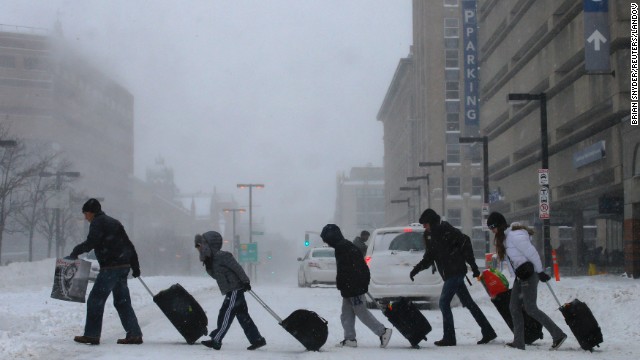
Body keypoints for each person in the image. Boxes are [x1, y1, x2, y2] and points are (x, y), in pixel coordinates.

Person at [410, 209, 497, 346]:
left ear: (431, 222)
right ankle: (488, 331)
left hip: (455, 272)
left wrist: (473, 266)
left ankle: (449, 337)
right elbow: (429, 257)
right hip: (451, 273)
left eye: (425, 224)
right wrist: (416, 269)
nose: (424, 227)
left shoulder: (446, 230)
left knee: (444, 303)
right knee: (469, 303)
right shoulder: (431, 235)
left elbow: (465, 242)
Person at [487, 212, 568, 351]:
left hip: (529, 274)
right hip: (521, 276)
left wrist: (540, 271)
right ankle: (519, 341)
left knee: (531, 308)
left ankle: (558, 334)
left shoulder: (515, 237)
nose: (492, 231)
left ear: (499, 224)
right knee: (513, 307)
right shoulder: (505, 238)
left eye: (493, 227)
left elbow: (532, 253)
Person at [68, 198, 143, 345]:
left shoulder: (98, 222)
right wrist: (135, 266)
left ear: (91, 212)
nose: (85, 218)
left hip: (111, 268)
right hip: (122, 266)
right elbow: (129, 245)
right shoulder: (114, 222)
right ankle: (134, 334)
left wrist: (76, 251)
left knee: (95, 300)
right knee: (122, 302)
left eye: (86, 214)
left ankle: (91, 335)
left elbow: (92, 242)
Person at [320, 224, 392, 348]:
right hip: (351, 285)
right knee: (346, 313)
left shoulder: (342, 248)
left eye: (327, 241)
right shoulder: (344, 245)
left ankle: (383, 332)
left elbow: (345, 270)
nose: (327, 244)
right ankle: (350, 339)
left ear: (332, 238)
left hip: (353, 286)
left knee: (361, 311)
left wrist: (346, 284)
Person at [195, 231, 266, 351]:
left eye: (200, 245)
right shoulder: (211, 260)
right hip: (231, 290)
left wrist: (245, 281)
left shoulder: (223, 256)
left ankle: (216, 340)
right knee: (242, 315)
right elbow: (216, 276)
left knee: (225, 314)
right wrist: (207, 263)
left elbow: (237, 268)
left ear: (209, 244)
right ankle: (257, 339)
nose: (199, 249)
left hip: (234, 289)